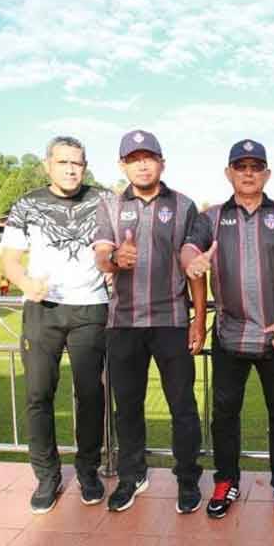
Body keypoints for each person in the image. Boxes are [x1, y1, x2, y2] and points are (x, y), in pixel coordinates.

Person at [181, 140, 274, 520]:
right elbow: (189, 249)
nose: (248, 173)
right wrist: (193, 262)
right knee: (224, 413)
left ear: (266, 174)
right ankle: (226, 480)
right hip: (230, 335)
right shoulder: (212, 217)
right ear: (228, 173)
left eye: (256, 167)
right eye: (240, 167)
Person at [93, 129, 207, 514]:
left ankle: (188, 479)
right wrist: (115, 260)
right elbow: (104, 255)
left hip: (171, 321)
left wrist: (199, 320)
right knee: (127, 406)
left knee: (182, 406)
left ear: (162, 162)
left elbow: (193, 265)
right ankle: (131, 476)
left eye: (149, 157)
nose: (142, 164)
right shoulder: (109, 205)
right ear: (122, 165)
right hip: (123, 323)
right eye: (133, 158)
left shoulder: (185, 205)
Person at [2, 135, 112, 514]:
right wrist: (26, 283)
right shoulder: (27, 204)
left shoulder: (104, 200)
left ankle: (88, 472)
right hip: (42, 308)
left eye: (77, 163)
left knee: (91, 396)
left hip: (90, 308)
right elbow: (11, 260)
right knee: (38, 395)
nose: (70, 169)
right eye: (63, 162)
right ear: (47, 164)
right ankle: (47, 477)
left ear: (85, 166)